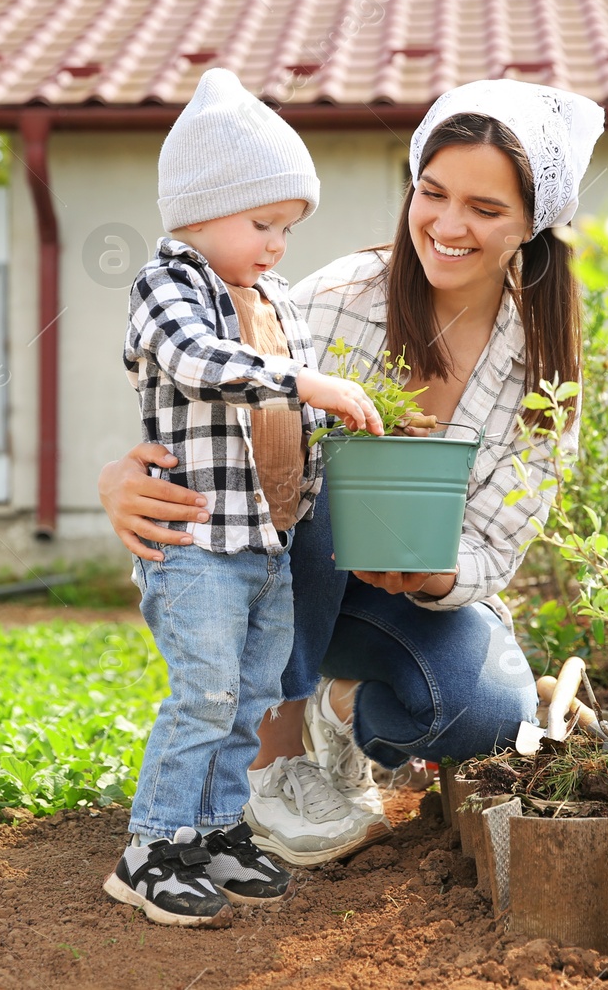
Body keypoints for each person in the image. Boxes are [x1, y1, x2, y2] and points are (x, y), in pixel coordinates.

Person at [100, 78, 605, 867]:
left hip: (408, 600)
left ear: (531, 226)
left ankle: (338, 710)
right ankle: (270, 760)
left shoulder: (545, 370)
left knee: (490, 712)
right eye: (432, 193)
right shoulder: (335, 300)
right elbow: (212, 394)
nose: (448, 224)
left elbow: (501, 537)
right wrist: (119, 476)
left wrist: (434, 574)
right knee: (335, 458)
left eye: (485, 208)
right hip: (292, 575)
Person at [103, 68, 383, 928]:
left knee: (253, 695)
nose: (277, 245)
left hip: (266, 545)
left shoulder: (278, 304)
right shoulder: (168, 288)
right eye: (263, 223)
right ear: (198, 210)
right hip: (197, 549)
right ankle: (152, 848)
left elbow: (297, 426)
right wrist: (306, 380)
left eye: (287, 228)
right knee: (205, 692)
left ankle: (217, 828)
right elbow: (198, 363)